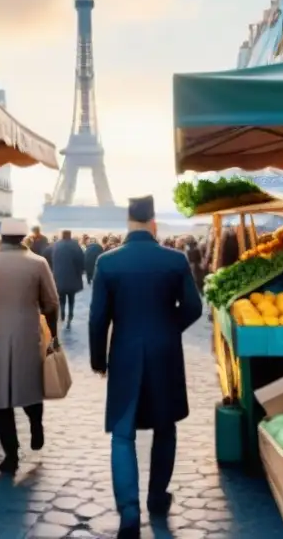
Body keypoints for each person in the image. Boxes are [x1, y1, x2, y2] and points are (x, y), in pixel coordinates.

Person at [89, 196, 204, 539]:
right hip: (165, 352)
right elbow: (194, 307)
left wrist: (99, 361)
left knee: (123, 433)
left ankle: (128, 513)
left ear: (128, 222)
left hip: (124, 353)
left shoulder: (108, 263)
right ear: (154, 222)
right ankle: (157, 498)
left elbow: (98, 319)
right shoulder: (175, 259)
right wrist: (169, 327)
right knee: (165, 426)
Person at [0, 218, 60, 474]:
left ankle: (11, 456)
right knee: (30, 386)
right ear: (23, 237)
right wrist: (54, 333)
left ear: (1, 238)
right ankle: (36, 426)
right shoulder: (38, 263)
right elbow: (51, 303)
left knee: (2, 399)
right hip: (28, 334)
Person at [51, 229, 85, 327]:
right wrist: (81, 271)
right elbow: (81, 260)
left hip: (59, 276)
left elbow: (53, 260)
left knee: (61, 297)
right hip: (72, 276)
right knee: (71, 297)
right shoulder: (75, 245)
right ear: (70, 235)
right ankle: (70, 314)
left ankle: (62, 314)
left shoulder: (57, 245)